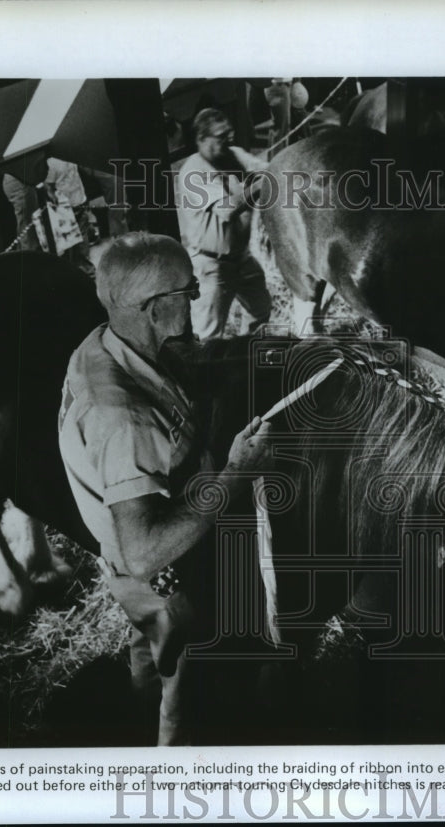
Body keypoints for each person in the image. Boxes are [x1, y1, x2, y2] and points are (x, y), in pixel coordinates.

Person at [57, 231, 272, 745]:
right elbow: (147, 553)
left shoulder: (102, 344)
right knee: (186, 691)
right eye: (190, 292)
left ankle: (141, 695)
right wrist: (236, 474)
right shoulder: (123, 419)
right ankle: (172, 763)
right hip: (166, 578)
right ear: (155, 309)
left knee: (149, 648)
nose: (196, 300)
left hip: (131, 577)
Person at [175, 108, 272, 339]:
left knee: (261, 312)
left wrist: (270, 172)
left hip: (241, 258)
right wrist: (259, 186)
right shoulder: (194, 172)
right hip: (211, 266)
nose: (228, 140)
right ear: (201, 139)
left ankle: (243, 356)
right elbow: (227, 209)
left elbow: (267, 170)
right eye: (220, 136)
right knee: (208, 336)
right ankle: (208, 373)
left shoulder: (232, 153)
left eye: (229, 133)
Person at [45, 157, 96, 276]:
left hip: (65, 206)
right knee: (82, 235)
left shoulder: (51, 163)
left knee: (69, 239)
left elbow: (49, 187)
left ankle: (74, 269)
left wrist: (52, 201)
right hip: (79, 200)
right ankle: (87, 269)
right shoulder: (69, 155)